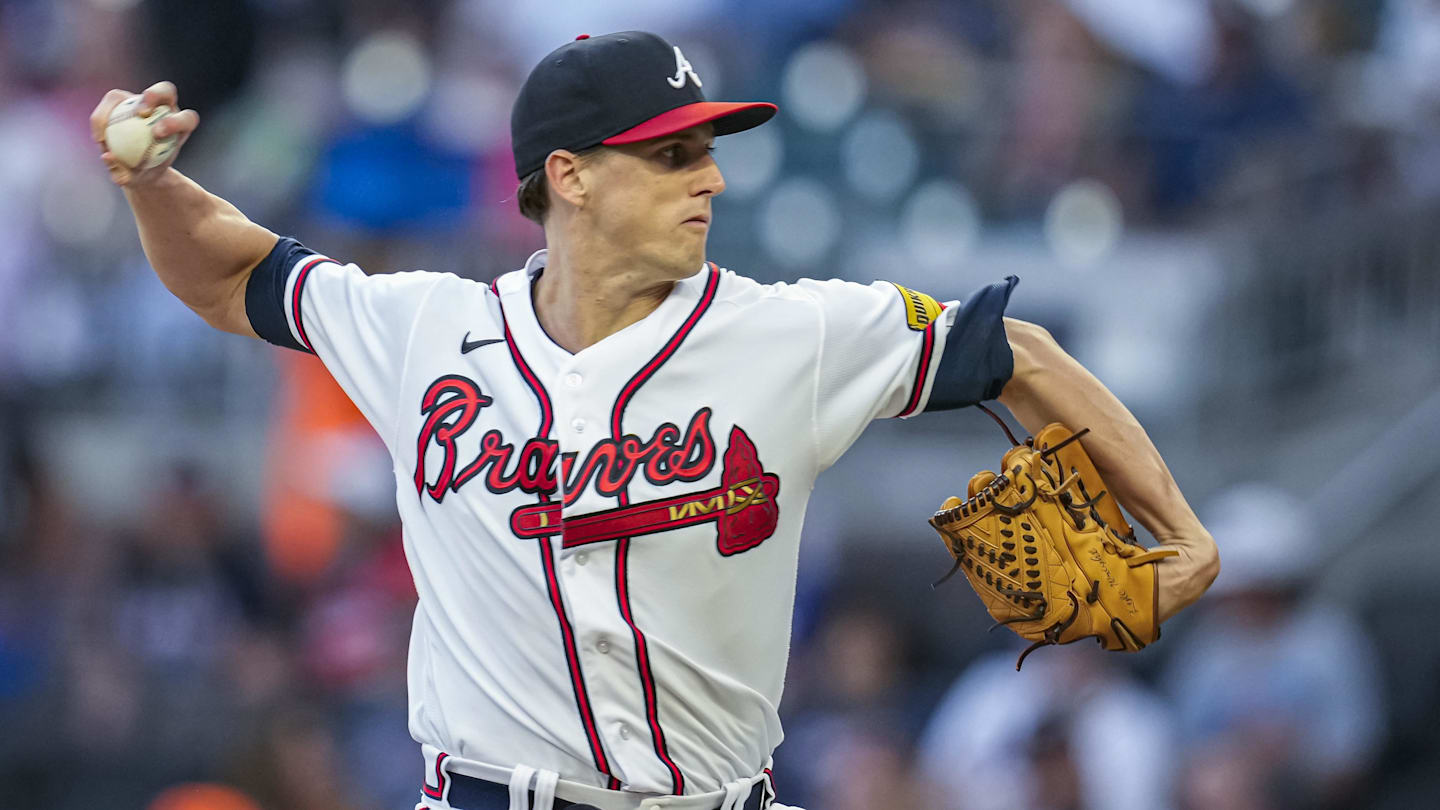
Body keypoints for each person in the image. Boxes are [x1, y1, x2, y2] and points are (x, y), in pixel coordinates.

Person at [93, 30, 1219, 810]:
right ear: (571, 178)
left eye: (710, 150)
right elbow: (230, 274)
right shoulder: (425, 328)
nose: (711, 179)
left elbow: (1019, 351)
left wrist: (1178, 529)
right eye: (674, 152)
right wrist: (150, 184)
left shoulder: (793, 335)